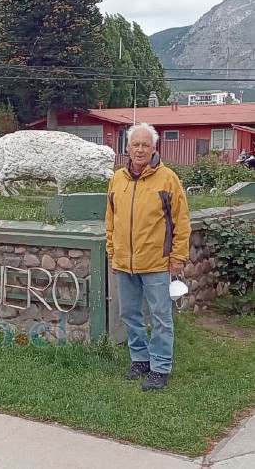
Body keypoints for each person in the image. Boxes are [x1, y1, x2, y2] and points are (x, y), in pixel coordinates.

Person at [105, 122, 191, 392]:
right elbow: (111, 219)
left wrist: (178, 257)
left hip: (157, 262)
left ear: (154, 147)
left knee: (161, 317)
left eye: (146, 145)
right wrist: (112, 252)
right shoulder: (118, 178)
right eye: (135, 144)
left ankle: (160, 367)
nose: (140, 149)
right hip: (124, 262)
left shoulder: (168, 179)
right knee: (130, 314)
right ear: (127, 147)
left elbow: (182, 221)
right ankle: (140, 360)